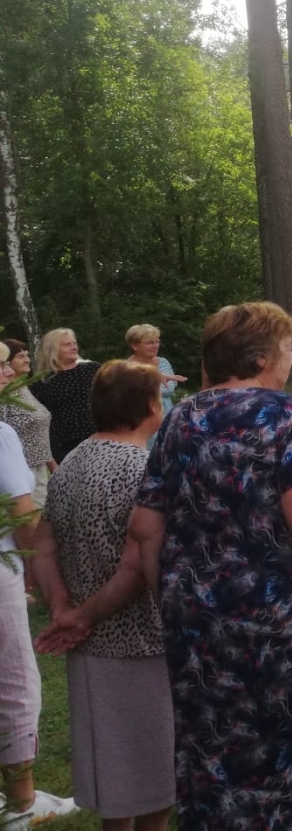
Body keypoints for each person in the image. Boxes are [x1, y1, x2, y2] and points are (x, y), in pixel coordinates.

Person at [126, 301, 292, 829]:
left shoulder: (179, 420)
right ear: (263, 356)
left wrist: (175, 604)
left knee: (216, 756)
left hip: (198, 626)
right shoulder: (287, 414)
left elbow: (146, 527)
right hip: (284, 626)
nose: (290, 358)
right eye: (288, 348)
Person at [27, 361, 176, 831]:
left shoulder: (71, 462)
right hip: (142, 643)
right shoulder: (144, 469)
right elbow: (136, 568)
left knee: (118, 778)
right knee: (154, 779)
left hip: (89, 648)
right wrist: (78, 617)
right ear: (151, 407)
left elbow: (42, 543)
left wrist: (61, 608)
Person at [0, 344, 80, 826]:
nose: (9, 368)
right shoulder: (1, 431)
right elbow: (24, 513)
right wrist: (49, 582)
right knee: (12, 677)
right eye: (0, 363)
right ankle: (22, 803)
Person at [0, 339, 56, 508]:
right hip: (20, 469)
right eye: (20, 356)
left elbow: (38, 431)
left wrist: (52, 464)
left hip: (38, 467)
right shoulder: (6, 394)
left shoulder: (22, 388)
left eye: (27, 355)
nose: (27, 359)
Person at [31, 328, 100, 463]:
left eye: (74, 343)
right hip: (64, 445)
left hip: (99, 437)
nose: (74, 347)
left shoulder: (92, 369)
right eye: (67, 344)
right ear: (53, 349)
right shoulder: (42, 382)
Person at [125, 324, 187, 416]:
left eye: (157, 341)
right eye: (150, 342)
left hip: (166, 419)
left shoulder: (163, 362)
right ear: (135, 346)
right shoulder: (126, 368)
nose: (155, 346)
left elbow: (169, 389)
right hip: (141, 421)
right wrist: (155, 378)